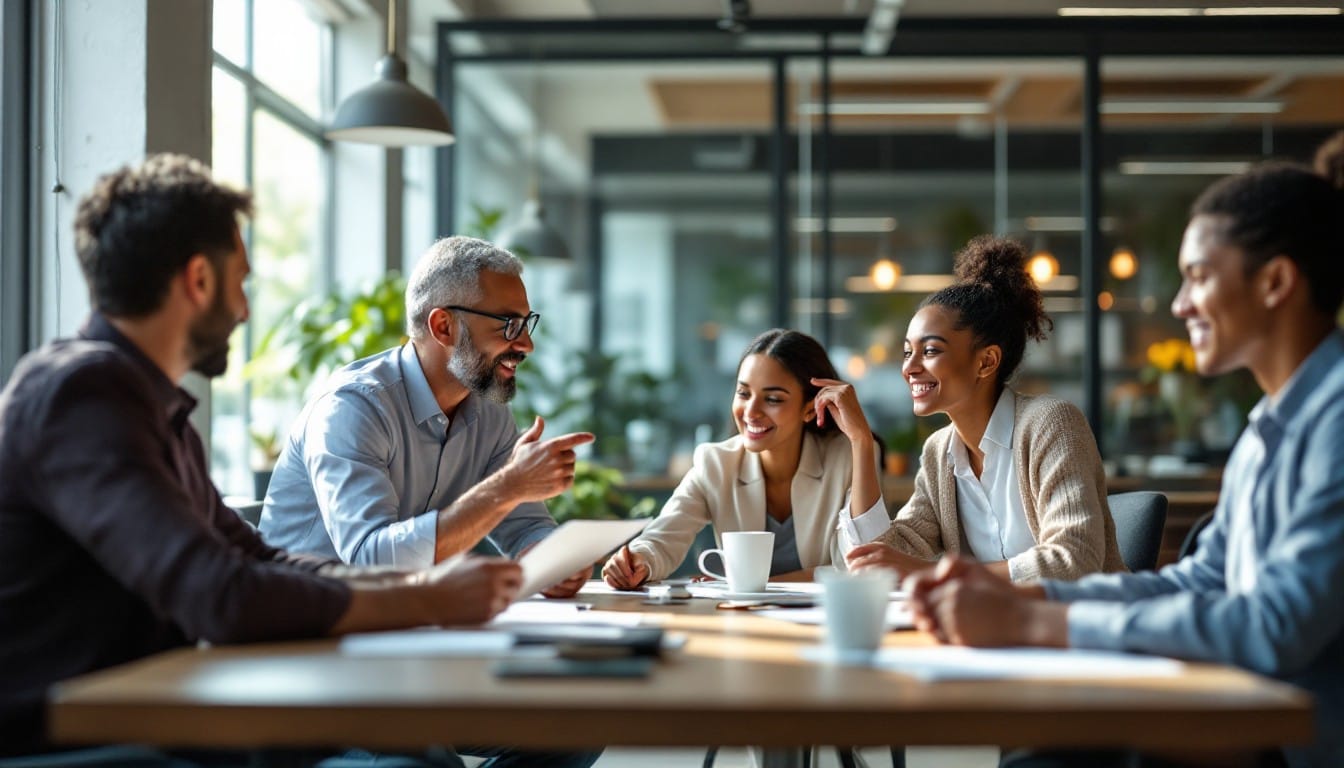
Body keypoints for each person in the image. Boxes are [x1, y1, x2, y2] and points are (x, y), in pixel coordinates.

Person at [0, 156, 549, 765]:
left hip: (155, 715)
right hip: (72, 740)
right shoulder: (80, 397)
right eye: (241, 283)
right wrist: (424, 598)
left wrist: (424, 588)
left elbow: (256, 557)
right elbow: (219, 593)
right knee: (412, 760)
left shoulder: (152, 409)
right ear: (198, 281)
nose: (245, 309)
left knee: (497, 738)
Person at [907, 137, 1344, 768]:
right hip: (1234, 722)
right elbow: (1200, 580)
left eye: (1197, 276)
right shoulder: (1268, 429)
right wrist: (1028, 600)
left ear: (1275, 281)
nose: (1179, 304)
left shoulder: (1332, 423)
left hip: (1293, 745)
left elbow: (1273, 627)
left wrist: (1038, 624)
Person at [260, 236, 593, 599]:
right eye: (508, 325)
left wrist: (556, 561)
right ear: (443, 327)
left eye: (527, 323)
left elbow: (526, 528)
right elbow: (370, 562)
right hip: (305, 630)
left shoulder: (489, 412)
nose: (526, 344)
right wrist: (509, 486)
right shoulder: (353, 408)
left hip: (403, 625)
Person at [842, 236, 1126, 583]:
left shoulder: (1051, 424)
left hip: (1079, 629)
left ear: (986, 361)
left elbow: (1074, 560)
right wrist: (861, 443)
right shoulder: (939, 454)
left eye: (930, 351)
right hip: (991, 632)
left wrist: (937, 573)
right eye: (906, 352)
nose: (910, 367)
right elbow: (881, 558)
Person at [603, 329, 882, 588]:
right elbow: (662, 539)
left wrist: (862, 440)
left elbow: (862, 565)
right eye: (743, 393)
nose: (751, 411)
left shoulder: (847, 458)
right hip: (741, 622)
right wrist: (637, 562)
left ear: (810, 409)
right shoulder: (716, 463)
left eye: (773, 399)